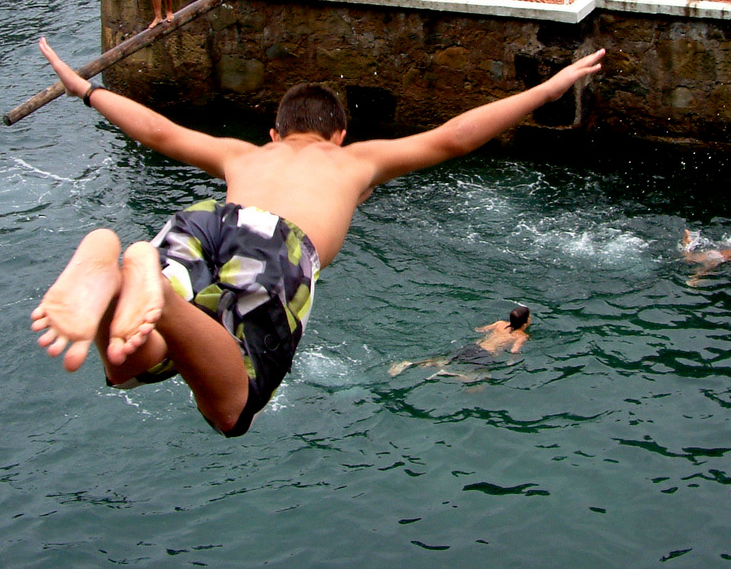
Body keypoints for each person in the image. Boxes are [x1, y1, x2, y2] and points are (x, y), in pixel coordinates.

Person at [30, 38, 605, 438]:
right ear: (339, 134)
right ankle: (141, 278)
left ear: (276, 132)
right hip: (278, 244)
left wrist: (85, 89)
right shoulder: (354, 160)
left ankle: (125, 268)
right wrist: (549, 87)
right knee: (232, 409)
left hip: (202, 221)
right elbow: (455, 136)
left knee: (130, 364)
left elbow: (158, 130)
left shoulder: (243, 154)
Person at [388, 305, 531, 377]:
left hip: (475, 345)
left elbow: (479, 330)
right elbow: (514, 351)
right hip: (486, 355)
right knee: (480, 377)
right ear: (525, 323)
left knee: (444, 358)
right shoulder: (521, 336)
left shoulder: (500, 323)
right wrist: (512, 361)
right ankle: (446, 374)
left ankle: (409, 363)